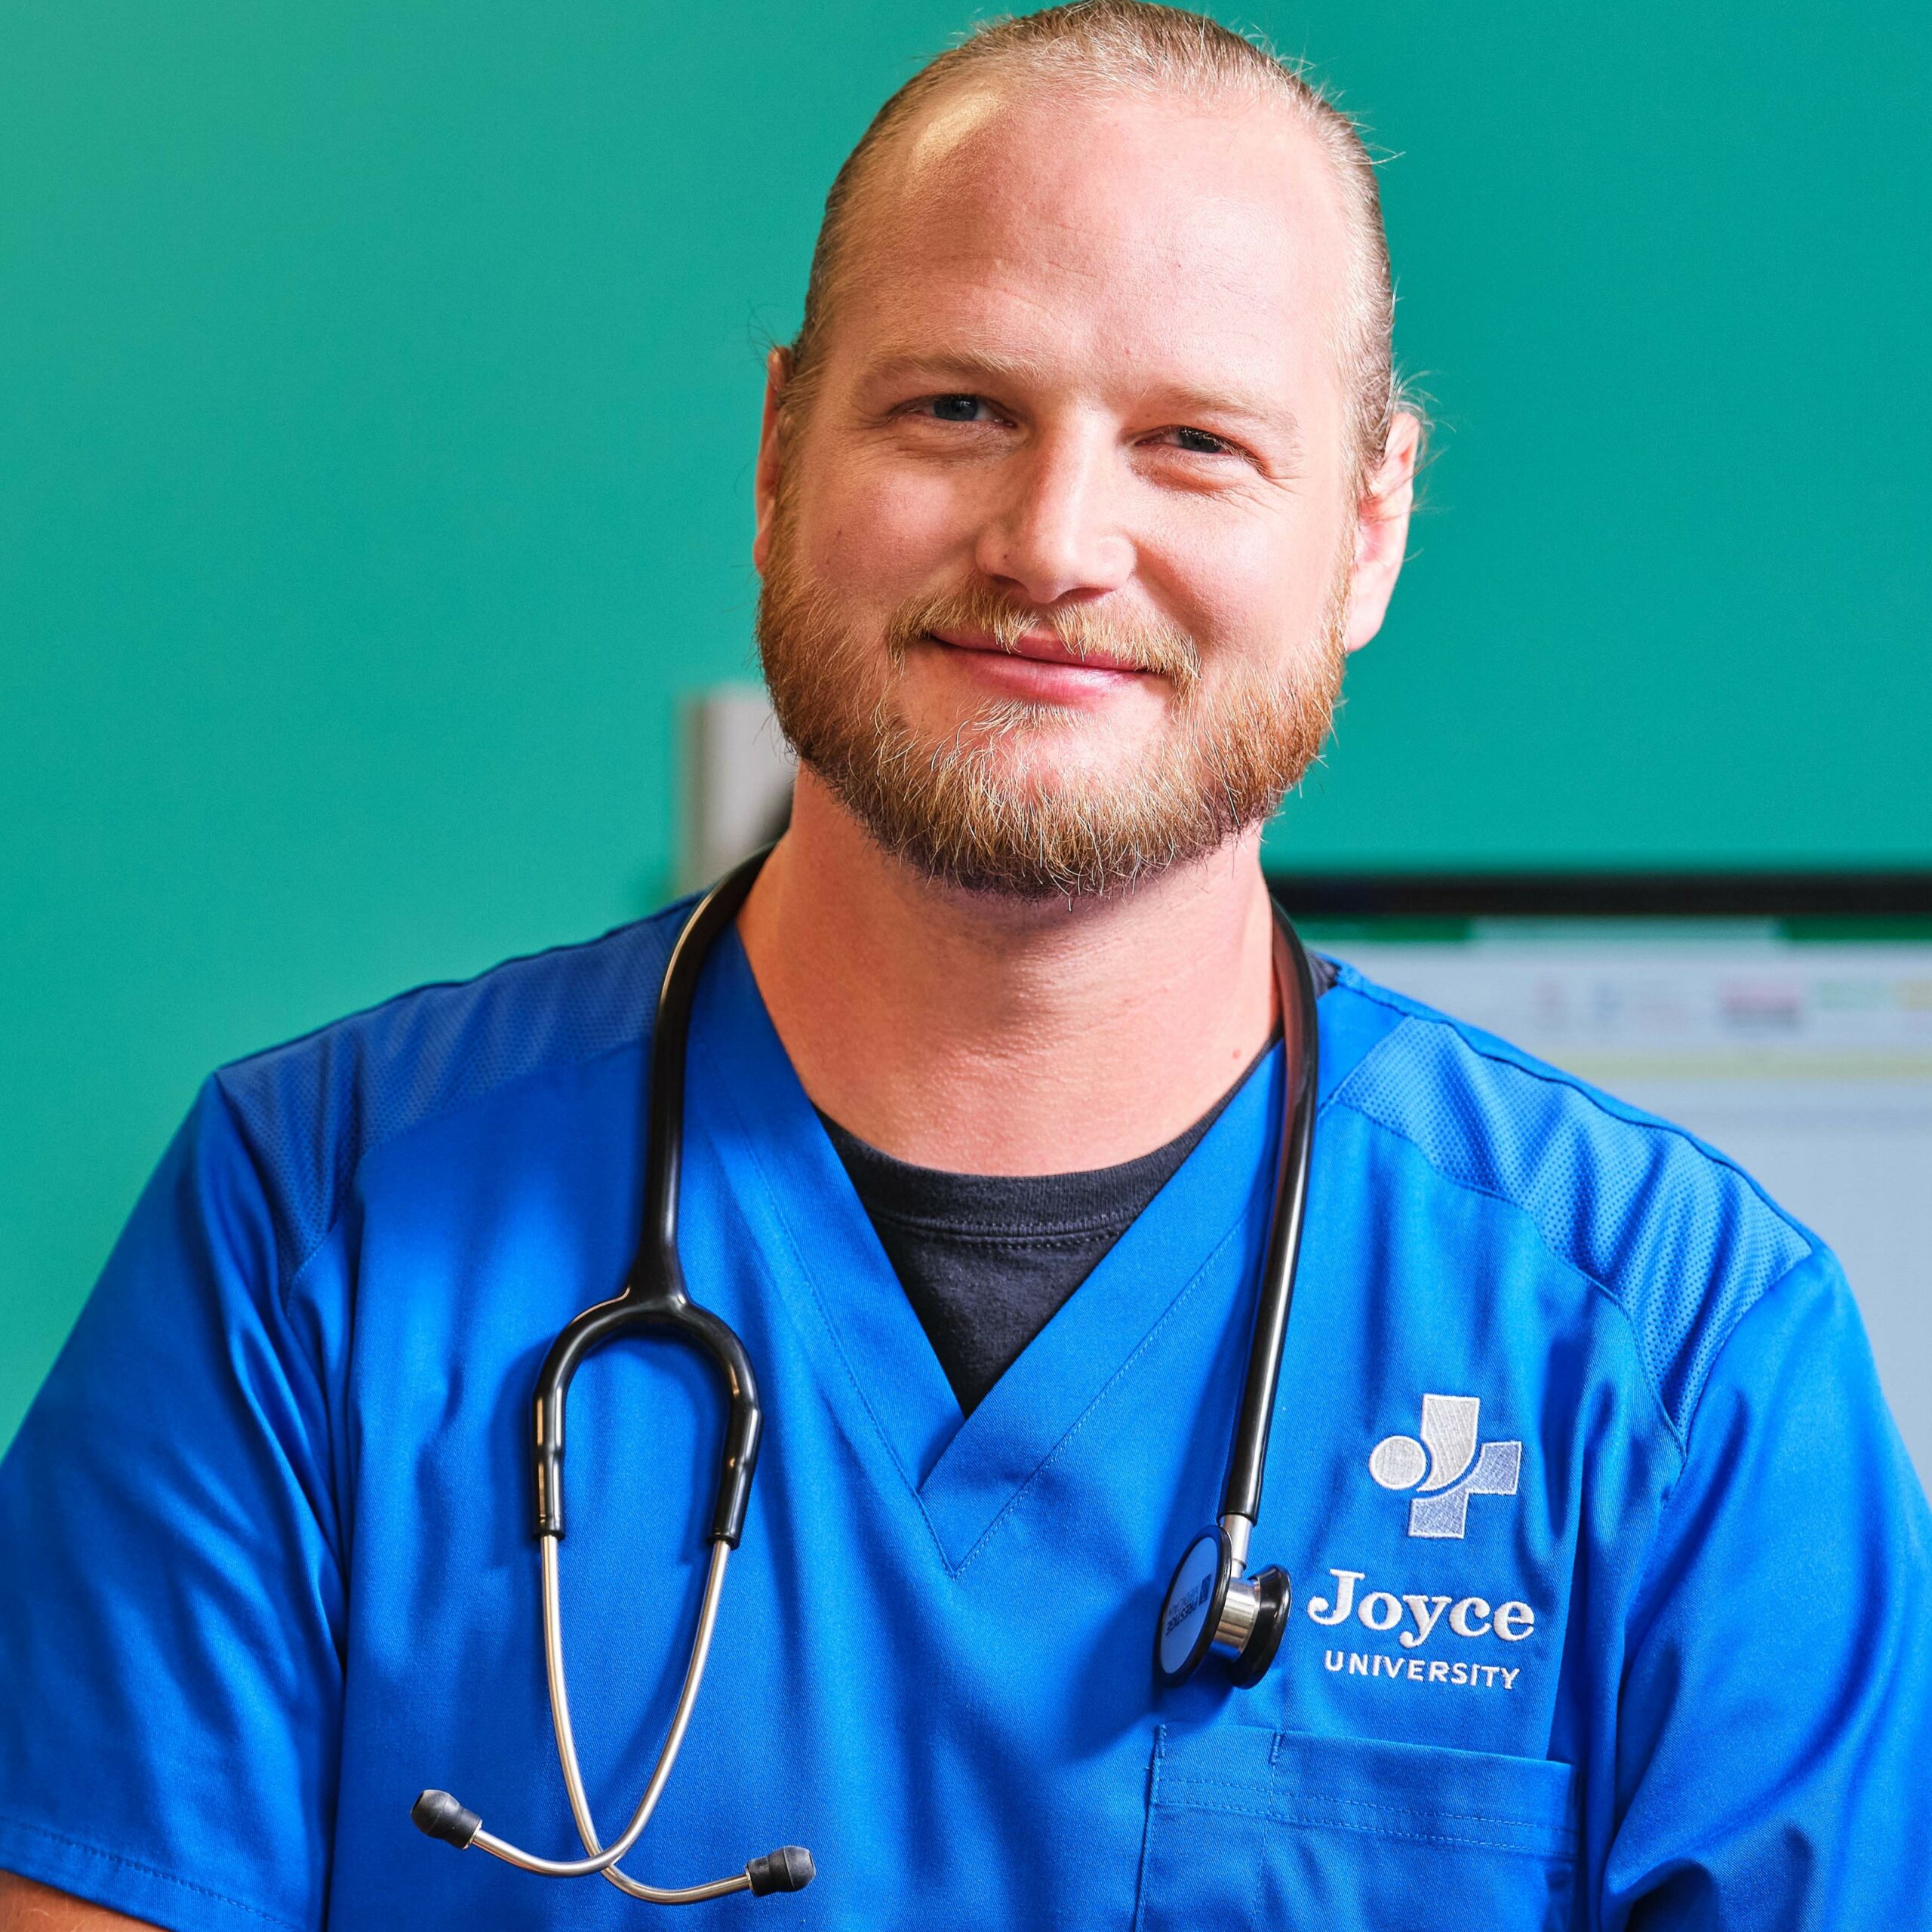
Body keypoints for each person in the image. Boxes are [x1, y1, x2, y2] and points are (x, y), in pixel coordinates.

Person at [2, 3, 1927, 1926]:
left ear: (1365, 528)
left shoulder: (1675, 1360)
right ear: (777, 458)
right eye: (956, 410)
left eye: (1193, 441)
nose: (1054, 541)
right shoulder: (310, 1225)